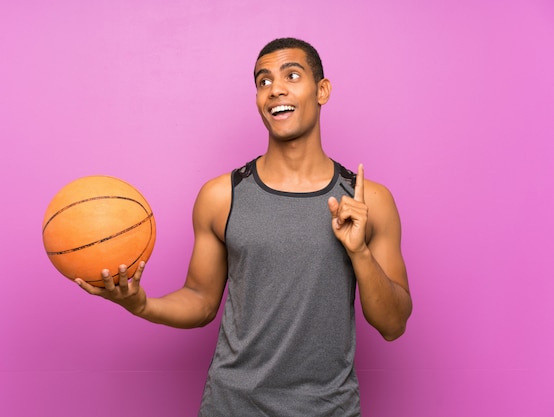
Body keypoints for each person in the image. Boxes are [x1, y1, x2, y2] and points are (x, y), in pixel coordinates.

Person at [75, 37, 412, 416]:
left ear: (322, 90)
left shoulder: (370, 201)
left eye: (292, 75)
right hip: (232, 406)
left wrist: (359, 252)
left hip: (328, 408)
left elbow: (393, 324)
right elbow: (201, 301)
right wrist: (142, 305)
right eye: (263, 81)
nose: (275, 89)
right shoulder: (221, 197)